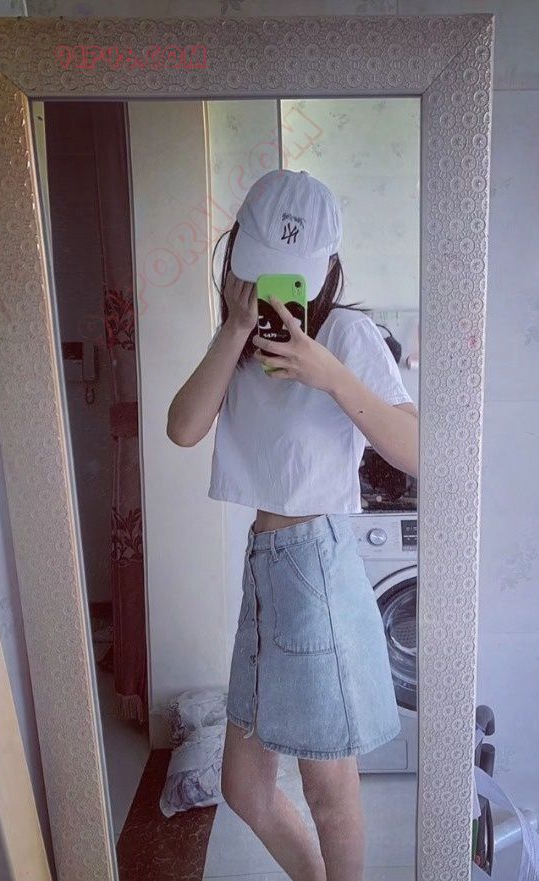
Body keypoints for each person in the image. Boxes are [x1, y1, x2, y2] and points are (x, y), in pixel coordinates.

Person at [167, 169, 418, 881]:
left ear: (326, 266)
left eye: (292, 275)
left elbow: (417, 448)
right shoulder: (240, 343)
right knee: (245, 789)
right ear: (236, 260)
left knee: (328, 791)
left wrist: (328, 372)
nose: (275, 290)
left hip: (316, 568)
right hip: (266, 566)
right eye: (258, 271)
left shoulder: (347, 332)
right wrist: (234, 329)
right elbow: (183, 428)